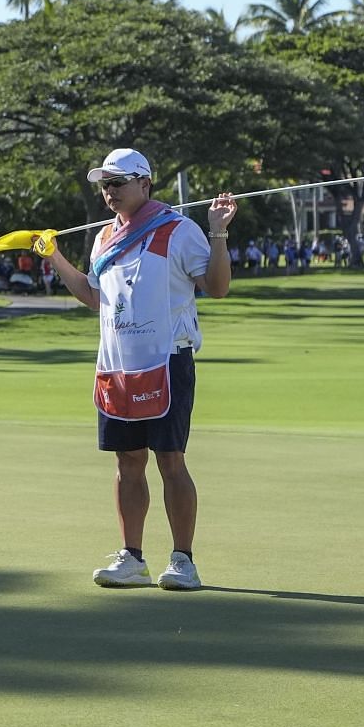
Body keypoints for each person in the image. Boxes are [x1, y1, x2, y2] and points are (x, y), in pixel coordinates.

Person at [40, 148, 232, 594]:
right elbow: (95, 297)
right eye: (104, 184)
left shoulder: (177, 230)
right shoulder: (104, 238)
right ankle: (132, 558)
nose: (109, 192)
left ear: (145, 183)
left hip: (166, 361)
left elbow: (218, 288)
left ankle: (183, 561)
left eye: (118, 182)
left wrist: (217, 232)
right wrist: (54, 257)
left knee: (170, 461)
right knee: (127, 463)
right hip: (117, 366)